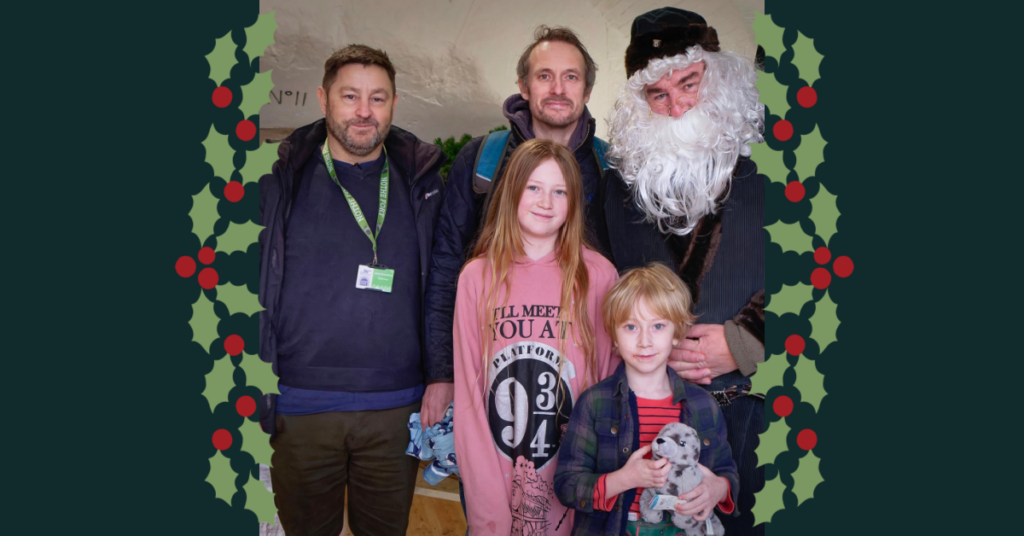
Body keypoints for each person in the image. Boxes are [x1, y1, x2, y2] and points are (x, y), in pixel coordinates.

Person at [257, 44, 446, 536]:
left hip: (395, 409)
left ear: (394, 105)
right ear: (324, 100)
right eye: (350, 96)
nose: (364, 111)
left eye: (378, 98)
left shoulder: (424, 186)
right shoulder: (280, 181)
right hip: (299, 406)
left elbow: (444, 287)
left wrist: (441, 376)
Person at [596, 7, 766, 535]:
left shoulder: (779, 168)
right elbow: (605, 293)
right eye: (658, 95)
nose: (677, 107)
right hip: (655, 426)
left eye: (689, 84)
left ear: (716, 78)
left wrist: (748, 340)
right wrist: (648, 336)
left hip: (758, 416)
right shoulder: (615, 190)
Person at [423, 26, 609, 429]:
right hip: (492, 380)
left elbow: (624, 284)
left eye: (571, 77)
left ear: (588, 91)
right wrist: (441, 374)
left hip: (585, 388)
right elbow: (445, 270)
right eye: (544, 76)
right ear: (523, 85)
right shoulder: (481, 161)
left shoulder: (611, 168)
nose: (558, 88)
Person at [452, 139, 620, 536]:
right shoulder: (477, 277)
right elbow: (471, 405)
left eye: (559, 191)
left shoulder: (599, 276)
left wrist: (592, 487)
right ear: (512, 192)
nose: (546, 201)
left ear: (574, 201)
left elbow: (608, 388)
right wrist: (488, 509)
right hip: (497, 480)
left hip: (576, 485)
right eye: (534, 187)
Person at [554, 263, 739, 536]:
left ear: (677, 333)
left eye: (658, 326)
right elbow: (567, 485)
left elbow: (727, 472)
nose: (644, 341)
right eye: (630, 326)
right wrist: (623, 479)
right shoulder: (595, 403)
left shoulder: (703, 405)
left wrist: (718, 489)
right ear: (613, 335)